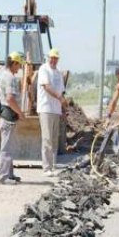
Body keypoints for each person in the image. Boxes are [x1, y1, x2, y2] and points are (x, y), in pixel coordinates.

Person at [37, 48, 67, 177]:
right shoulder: (44, 69)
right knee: (47, 138)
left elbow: (62, 91)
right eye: (52, 58)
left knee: (54, 139)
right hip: (46, 109)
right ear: (48, 57)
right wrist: (60, 98)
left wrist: (63, 108)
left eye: (56, 58)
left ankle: (53, 165)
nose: (53, 60)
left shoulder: (59, 73)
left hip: (56, 110)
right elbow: (47, 86)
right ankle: (46, 167)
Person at [0, 51, 25, 184]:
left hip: (8, 115)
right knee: (7, 148)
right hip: (9, 115)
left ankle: (10, 174)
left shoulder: (4, 75)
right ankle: (3, 176)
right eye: (18, 64)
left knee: (9, 147)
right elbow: (10, 98)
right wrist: (20, 112)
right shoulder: (9, 78)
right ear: (14, 63)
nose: (19, 67)